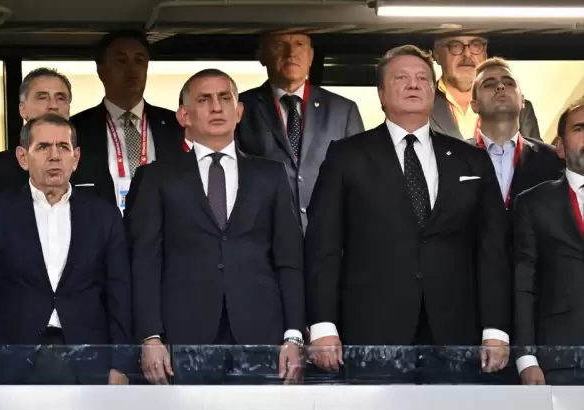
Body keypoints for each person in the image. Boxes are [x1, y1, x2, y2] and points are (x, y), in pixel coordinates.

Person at [305, 45, 511, 384]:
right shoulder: (346, 156)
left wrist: (496, 329)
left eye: (422, 78)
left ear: (433, 90)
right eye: (401, 78)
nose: (414, 84)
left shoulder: (470, 159)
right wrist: (323, 325)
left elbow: (492, 250)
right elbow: (323, 246)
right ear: (381, 94)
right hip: (371, 329)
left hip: (457, 331)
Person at [129, 69, 304, 385]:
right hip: (183, 335)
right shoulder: (156, 177)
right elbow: (145, 263)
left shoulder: (271, 175)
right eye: (204, 100)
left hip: (261, 333)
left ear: (239, 111)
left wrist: (294, 335)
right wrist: (150, 336)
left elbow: (289, 259)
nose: (216, 107)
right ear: (184, 115)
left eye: (225, 98)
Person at [0, 113, 131, 385]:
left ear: (76, 158)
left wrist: (121, 363)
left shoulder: (104, 217)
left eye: (63, 147)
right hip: (11, 359)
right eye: (43, 147)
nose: (54, 156)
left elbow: (119, 292)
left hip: (89, 360)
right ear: (22, 157)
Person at [236, 33, 364, 230]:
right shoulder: (240, 108)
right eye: (280, 44)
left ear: (311, 56)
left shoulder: (343, 109)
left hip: (328, 232)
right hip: (263, 232)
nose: (291, 53)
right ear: (261, 55)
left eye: (299, 44)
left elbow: (360, 178)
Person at [0, 67, 115, 223]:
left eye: (61, 98)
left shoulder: (93, 164)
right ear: (22, 109)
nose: (53, 105)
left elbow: (108, 223)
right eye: (42, 97)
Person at [70, 31, 184, 214]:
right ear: (101, 71)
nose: (132, 68)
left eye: (139, 60)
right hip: (101, 226)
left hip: (164, 226)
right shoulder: (76, 129)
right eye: (121, 61)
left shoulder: (176, 125)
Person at [514, 99, 584, 385]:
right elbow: (523, 285)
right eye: (580, 128)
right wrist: (526, 358)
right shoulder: (533, 203)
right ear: (560, 147)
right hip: (559, 358)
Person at [469, 57, 563, 211]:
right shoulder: (454, 159)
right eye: (489, 84)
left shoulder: (553, 159)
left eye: (509, 83)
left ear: (523, 101)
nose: (500, 86)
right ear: (474, 105)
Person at [430, 34, 539, 140]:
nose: (467, 54)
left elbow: (534, 151)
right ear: (437, 54)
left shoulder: (521, 109)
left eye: (476, 45)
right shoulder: (422, 105)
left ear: (485, 53)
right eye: (455, 45)